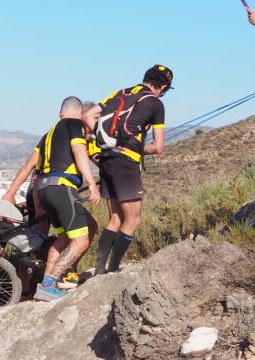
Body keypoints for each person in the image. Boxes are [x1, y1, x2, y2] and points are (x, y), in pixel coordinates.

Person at [82, 64, 172, 275]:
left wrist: (107, 139)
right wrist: (137, 147)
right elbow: (158, 147)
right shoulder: (155, 104)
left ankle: (99, 270)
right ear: (163, 87)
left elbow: (87, 116)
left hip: (105, 158)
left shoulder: (120, 92)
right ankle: (112, 270)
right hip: (126, 162)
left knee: (115, 218)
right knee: (133, 219)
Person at [33, 96, 100, 301]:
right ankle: (50, 283)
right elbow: (79, 151)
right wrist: (91, 183)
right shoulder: (75, 124)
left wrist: (38, 206)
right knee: (80, 241)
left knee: (69, 235)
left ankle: (46, 283)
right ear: (79, 113)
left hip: (45, 189)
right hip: (62, 188)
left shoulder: (48, 135)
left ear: (61, 112)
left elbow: (35, 174)